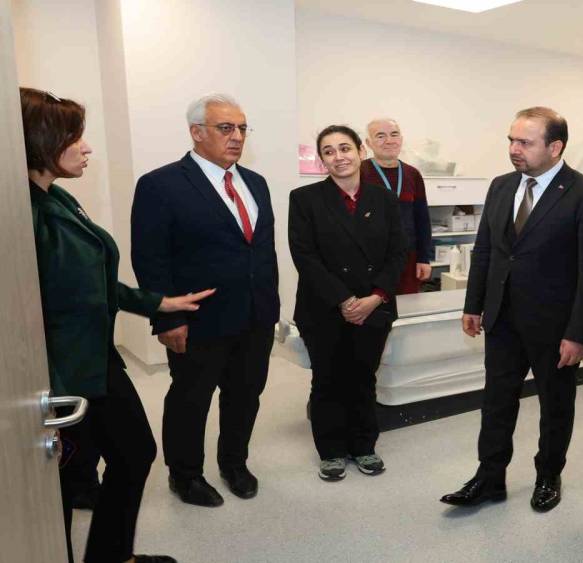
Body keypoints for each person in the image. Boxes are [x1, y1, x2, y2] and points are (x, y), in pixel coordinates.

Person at [23, 87, 211, 563]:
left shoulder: (57, 198)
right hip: (61, 374)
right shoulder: (23, 214)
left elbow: (95, 284)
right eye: (75, 138)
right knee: (59, 486)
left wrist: (157, 302)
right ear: (39, 140)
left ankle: (112, 556)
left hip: (95, 359)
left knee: (134, 453)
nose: (87, 148)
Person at [440, 107, 583, 512]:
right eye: (511, 140)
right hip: (502, 317)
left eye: (525, 142)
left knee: (555, 405)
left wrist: (579, 334)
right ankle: (489, 477)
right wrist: (474, 304)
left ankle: (548, 475)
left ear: (555, 147)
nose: (514, 149)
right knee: (496, 401)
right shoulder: (502, 186)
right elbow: (486, 250)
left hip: (555, 325)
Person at [131, 93, 280, 507]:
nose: (237, 137)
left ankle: (234, 463)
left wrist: (271, 306)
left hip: (255, 315)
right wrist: (165, 319)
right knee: (190, 399)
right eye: (225, 128)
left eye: (242, 128)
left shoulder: (256, 183)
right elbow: (150, 258)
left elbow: (261, 250)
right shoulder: (160, 184)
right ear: (196, 132)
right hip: (197, 318)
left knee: (245, 395)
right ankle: (185, 475)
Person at [289, 125, 407, 481]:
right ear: (321, 161)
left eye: (345, 148)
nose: (338, 157)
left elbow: (397, 252)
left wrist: (375, 297)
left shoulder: (384, 199)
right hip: (323, 306)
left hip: (375, 305)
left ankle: (363, 446)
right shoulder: (305, 199)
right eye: (328, 151)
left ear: (360, 152)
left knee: (362, 377)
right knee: (327, 379)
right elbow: (305, 256)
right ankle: (331, 451)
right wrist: (344, 299)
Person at [360, 118, 433, 294]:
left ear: (401, 139)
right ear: (368, 143)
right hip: (371, 260)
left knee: (408, 306)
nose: (389, 140)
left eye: (394, 134)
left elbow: (422, 220)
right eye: (380, 136)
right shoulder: (360, 172)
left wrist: (424, 258)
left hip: (408, 258)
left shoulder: (413, 174)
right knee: (373, 305)